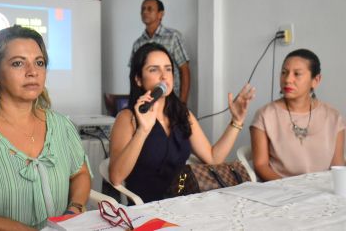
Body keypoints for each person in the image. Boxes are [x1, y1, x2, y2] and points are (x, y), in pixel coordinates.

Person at [0, 25, 92, 230]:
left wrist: (74, 209)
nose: (32, 72)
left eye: (39, 63)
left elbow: (80, 174)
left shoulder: (62, 125)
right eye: (17, 63)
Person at [110, 42, 255, 203]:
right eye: (154, 69)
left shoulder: (183, 114)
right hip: (145, 208)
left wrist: (236, 121)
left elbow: (213, 158)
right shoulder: (127, 118)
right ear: (138, 79)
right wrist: (142, 131)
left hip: (184, 203)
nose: (164, 76)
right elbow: (116, 177)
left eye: (168, 69)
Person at [250, 49, 345, 181]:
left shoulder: (333, 117)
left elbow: (338, 165)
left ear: (316, 80)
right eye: (284, 72)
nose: (288, 79)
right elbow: (261, 166)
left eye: (297, 74)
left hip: (323, 191)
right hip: (282, 191)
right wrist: (292, 189)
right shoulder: (265, 115)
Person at [131, 0, 191, 103]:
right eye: (143, 9)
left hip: (172, 101)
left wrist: (182, 103)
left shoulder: (173, 37)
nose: (145, 12)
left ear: (160, 14)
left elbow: (184, 70)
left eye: (150, 9)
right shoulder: (138, 43)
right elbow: (134, 74)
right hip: (147, 101)